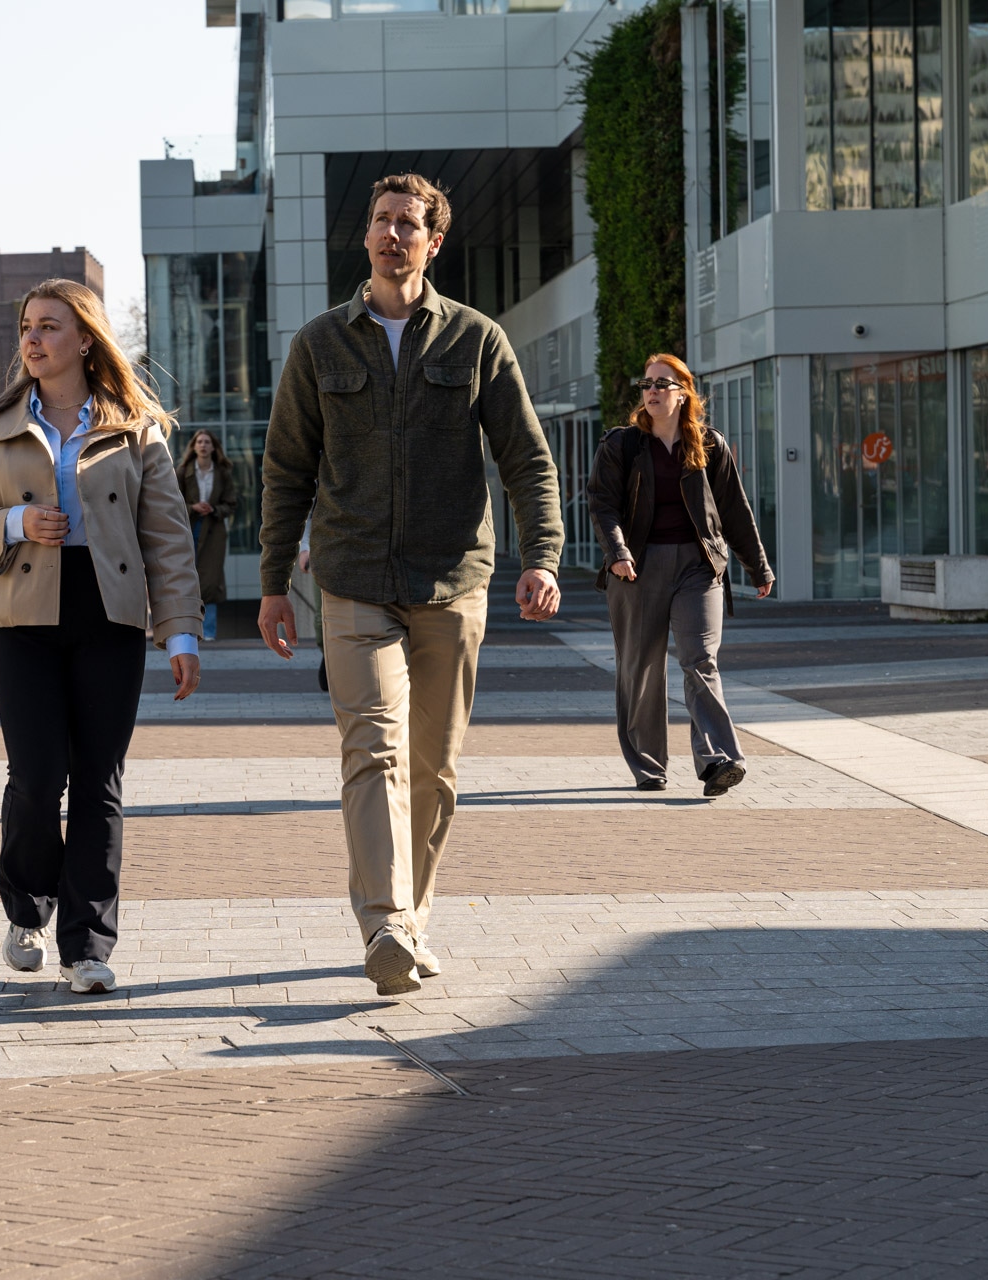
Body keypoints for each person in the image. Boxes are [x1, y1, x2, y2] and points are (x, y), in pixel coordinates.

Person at [257, 173, 564, 998]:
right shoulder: (321, 344)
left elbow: (527, 459)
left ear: (434, 242)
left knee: (433, 768)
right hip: (353, 584)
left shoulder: (476, 340)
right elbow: (286, 469)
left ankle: (413, 917)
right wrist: (274, 582)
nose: (394, 235)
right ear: (366, 238)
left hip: (453, 582)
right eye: (383, 221)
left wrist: (542, 556)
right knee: (373, 751)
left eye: (410, 225)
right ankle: (385, 921)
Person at [0, 279, 203, 995]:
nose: (33, 339)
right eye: (27, 325)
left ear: (84, 339)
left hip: (108, 612)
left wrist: (180, 633)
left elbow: (168, 537)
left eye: (50, 326)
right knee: (35, 776)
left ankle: (87, 946)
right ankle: (27, 908)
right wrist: (16, 525)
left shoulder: (134, 426)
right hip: (22, 613)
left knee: (98, 782)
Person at [585, 353, 773, 797]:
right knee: (640, 667)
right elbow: (602, 504)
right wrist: (617, 553)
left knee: (700, 660)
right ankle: (649, 767)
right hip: (636, 569)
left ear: (683, 392)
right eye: (646, 384)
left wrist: (757, 565)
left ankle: (718, 761)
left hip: (698, 566)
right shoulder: (622, 446)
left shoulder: (708, 445)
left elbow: (734, 511)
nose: (651, 391)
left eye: (662, 384)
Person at [177, 429, 237, 641]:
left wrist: (214, 509)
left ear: (213, 447)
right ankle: (187, 630)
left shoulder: (222, 472)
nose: (203, 445)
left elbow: (231, 504)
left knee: (210, 582)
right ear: (194, 446)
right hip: (190, 527)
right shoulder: (183, 471)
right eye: (199, 442)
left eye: (207, 442)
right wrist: (193, 507)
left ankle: (208, 633)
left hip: (213, 529)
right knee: (186, 577)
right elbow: (172, 503)